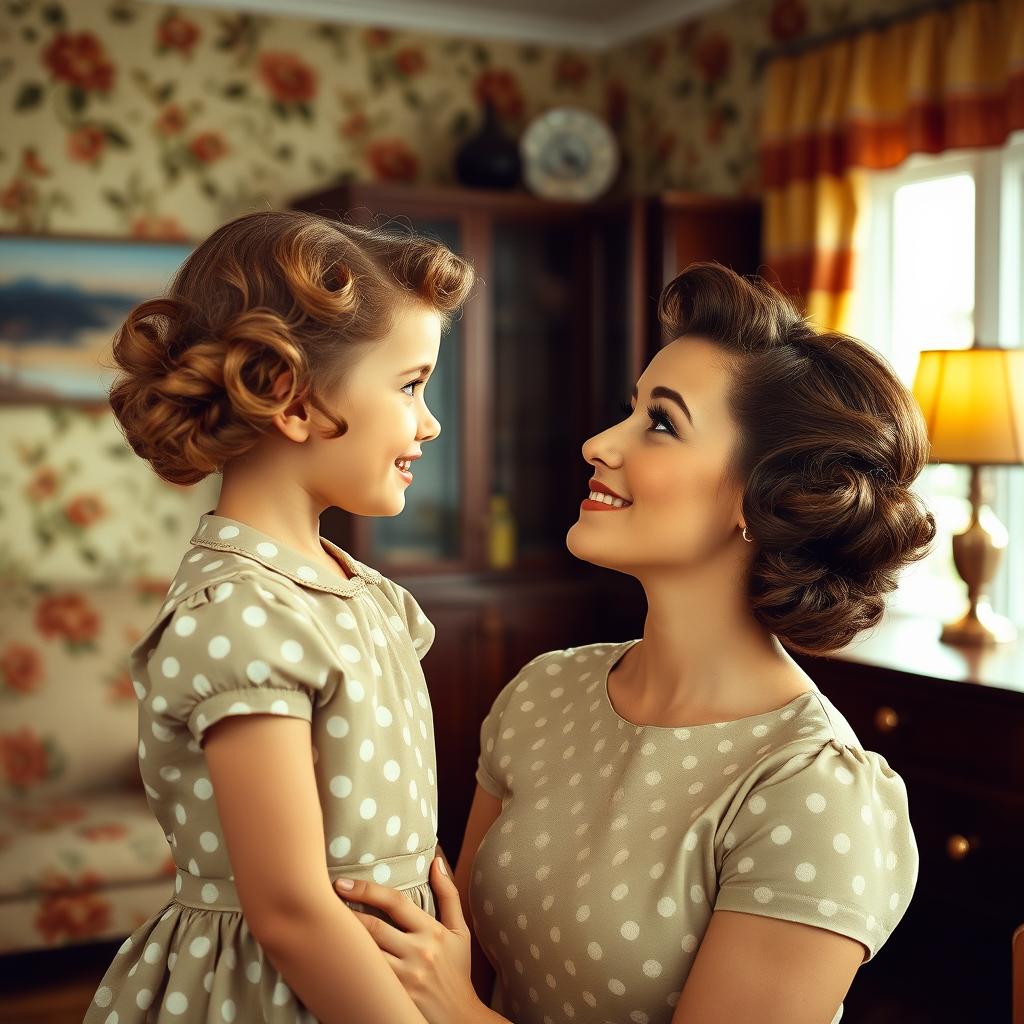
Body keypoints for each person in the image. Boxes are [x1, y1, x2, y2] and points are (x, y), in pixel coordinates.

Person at [337, 262, 934, 1024]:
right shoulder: (543, 692)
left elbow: (455, 998)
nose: (597, 443)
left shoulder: (813, 794)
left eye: (660, 422)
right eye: (631, 410)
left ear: (763, 499)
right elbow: (468, 960)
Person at [83, 210, 474, 1024]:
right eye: (409, 385)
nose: (429, 421)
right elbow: (292, 913)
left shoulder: (360, 593)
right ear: (287, 399)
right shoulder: (242, 616)